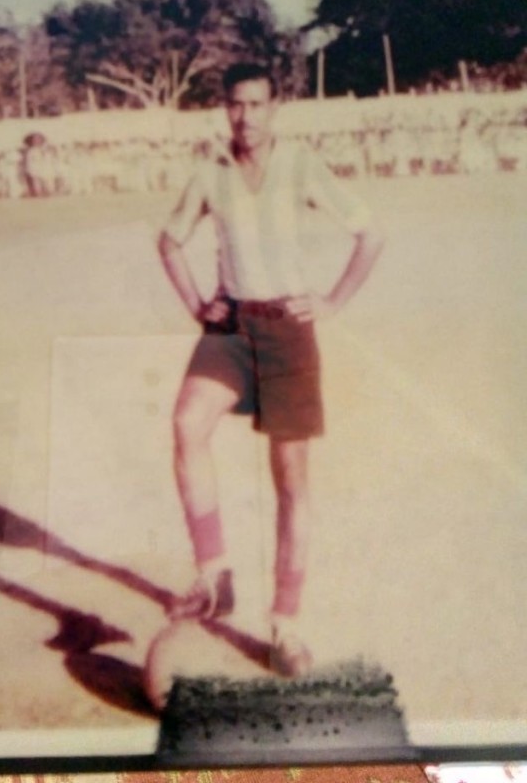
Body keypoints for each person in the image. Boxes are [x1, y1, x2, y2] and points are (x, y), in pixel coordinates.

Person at [157, 63, 384, 675]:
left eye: (257, 105)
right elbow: (169, 241)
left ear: (274, 108)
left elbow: (369, 233)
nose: (246, 117)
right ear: (223, 109)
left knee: (290, 480)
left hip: (289, 332)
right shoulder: (210, 173)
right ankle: (214, 576)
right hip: (230, 327)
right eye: (236, 105)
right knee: (186, 425)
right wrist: (196, 302)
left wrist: (332, 301)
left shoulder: (302, 166)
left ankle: (285, 624)